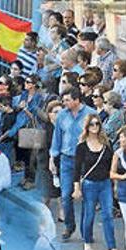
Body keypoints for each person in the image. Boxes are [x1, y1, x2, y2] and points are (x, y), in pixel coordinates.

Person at [72, 114, 122, 250]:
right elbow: (77, 168)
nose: (95, 127)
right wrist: (76, 188)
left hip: (105, 183)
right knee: (89, 214)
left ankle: (112, 247)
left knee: (108, 215)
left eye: (97, 124)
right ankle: (87, 241)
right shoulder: (81, 146)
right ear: (87, 127)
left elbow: (112, 166)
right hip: (89, 184)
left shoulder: (107, 144)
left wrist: (115, 184)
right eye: (92, 124)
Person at [49, 88, 97, 240]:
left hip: (86, 160)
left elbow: (98, 135)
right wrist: (53, 157)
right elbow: (57, 137)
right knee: (65, 196)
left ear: (77, 100)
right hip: (67, 159)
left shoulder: (90, 113)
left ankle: (86, 231)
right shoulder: (62, 115)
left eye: (67, 100)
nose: (64, 103)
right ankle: (70, 226)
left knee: (88, 197)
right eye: (64, 100)